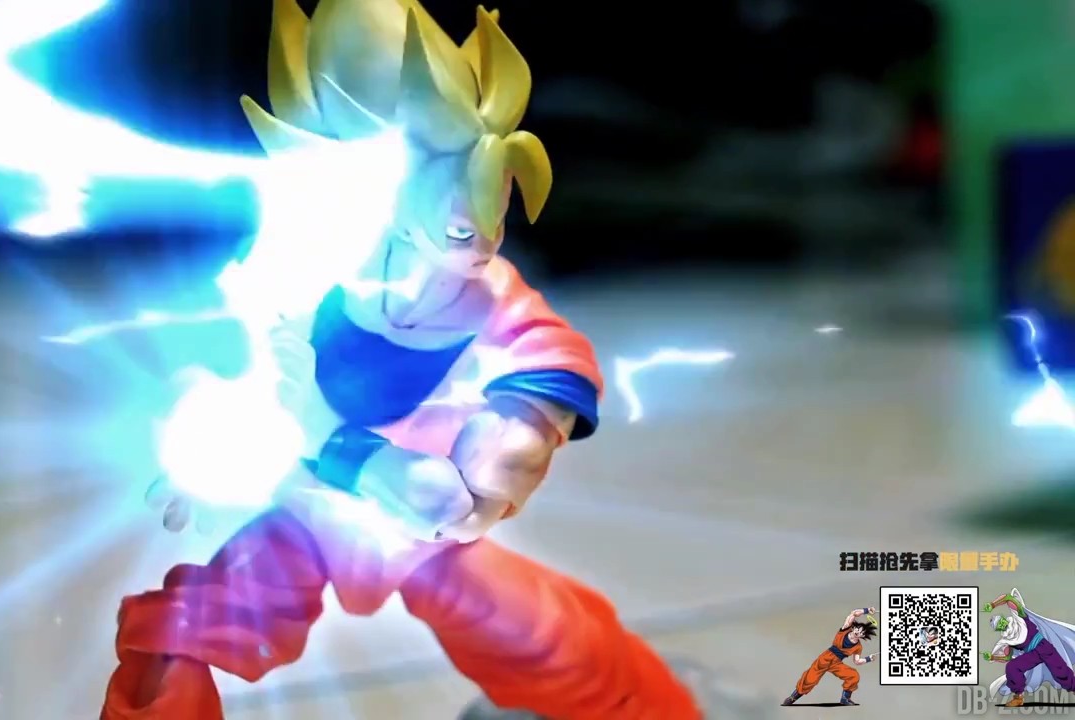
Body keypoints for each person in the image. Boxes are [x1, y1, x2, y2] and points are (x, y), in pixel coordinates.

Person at [100, 1, 701, 718]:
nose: (474, 240)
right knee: (188, 633)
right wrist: (207, 447)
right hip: (308, 513)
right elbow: (238, 371)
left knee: (549, 638)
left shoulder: (483, 290)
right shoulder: (299, 270)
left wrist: (525, 424)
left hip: (426, 532)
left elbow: (547, 348)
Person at [983, 588, 1075, 708]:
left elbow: (1008, 598)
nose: (1001, 624)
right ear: (998, 629)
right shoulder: (1006, 640)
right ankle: (1018, 698)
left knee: (1061, 671)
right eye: (998, 625)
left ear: (1004, 619)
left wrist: (992, 604)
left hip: (1043, 646)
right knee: (1012, 667)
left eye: (1001, 621)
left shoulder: (1019, 618)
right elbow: (1008, 657)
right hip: (1032, 654)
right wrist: (993, 657)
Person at [782, 607, 878, 706]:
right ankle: (793, 697)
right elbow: (853, 613)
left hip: (836, 663)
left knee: (853, 675)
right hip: (825, 658)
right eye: (858, 629)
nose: (858, 632)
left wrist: (869, 659)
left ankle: (845, 699)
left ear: (863, 636)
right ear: (854, 627)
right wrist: (867, 610)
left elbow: (857, 661)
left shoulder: (858, 647)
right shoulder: (845, 628)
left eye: (862, 633)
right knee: (810, 678)